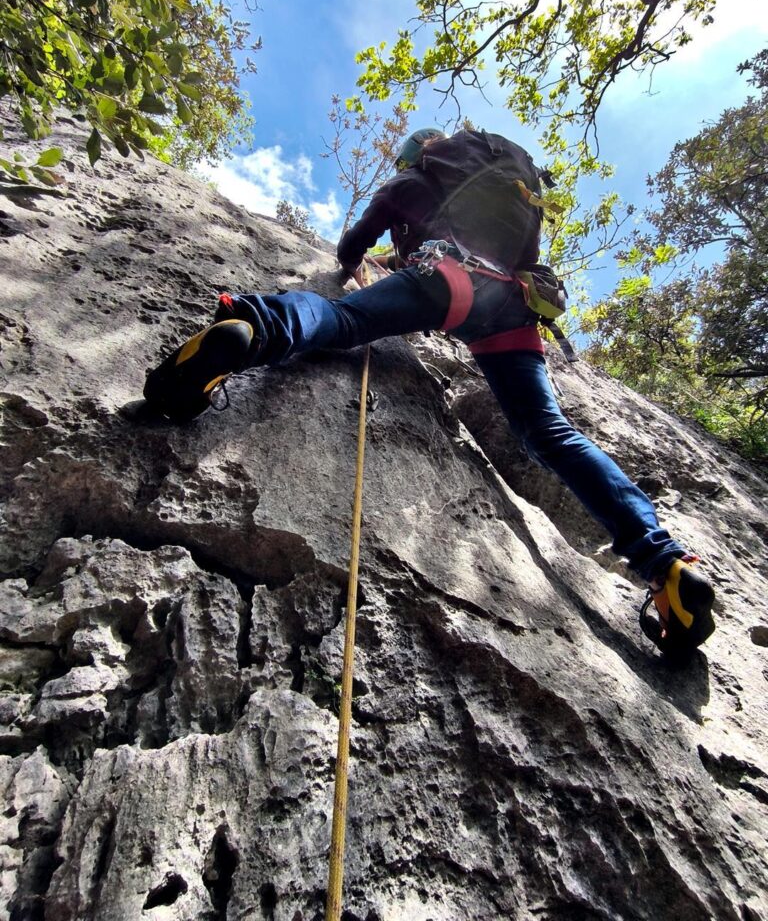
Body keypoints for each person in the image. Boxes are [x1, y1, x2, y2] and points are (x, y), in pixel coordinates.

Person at [142, 128, 716, 662]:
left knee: (340, 323)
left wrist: (354, 263)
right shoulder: (512, 188)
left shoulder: (412, 181)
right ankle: (665, 563)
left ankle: (254, 330)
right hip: (510, 307)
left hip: (441, 281)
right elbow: (519, 260)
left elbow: (354, 244)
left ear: (417, 156)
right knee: (550, 433)